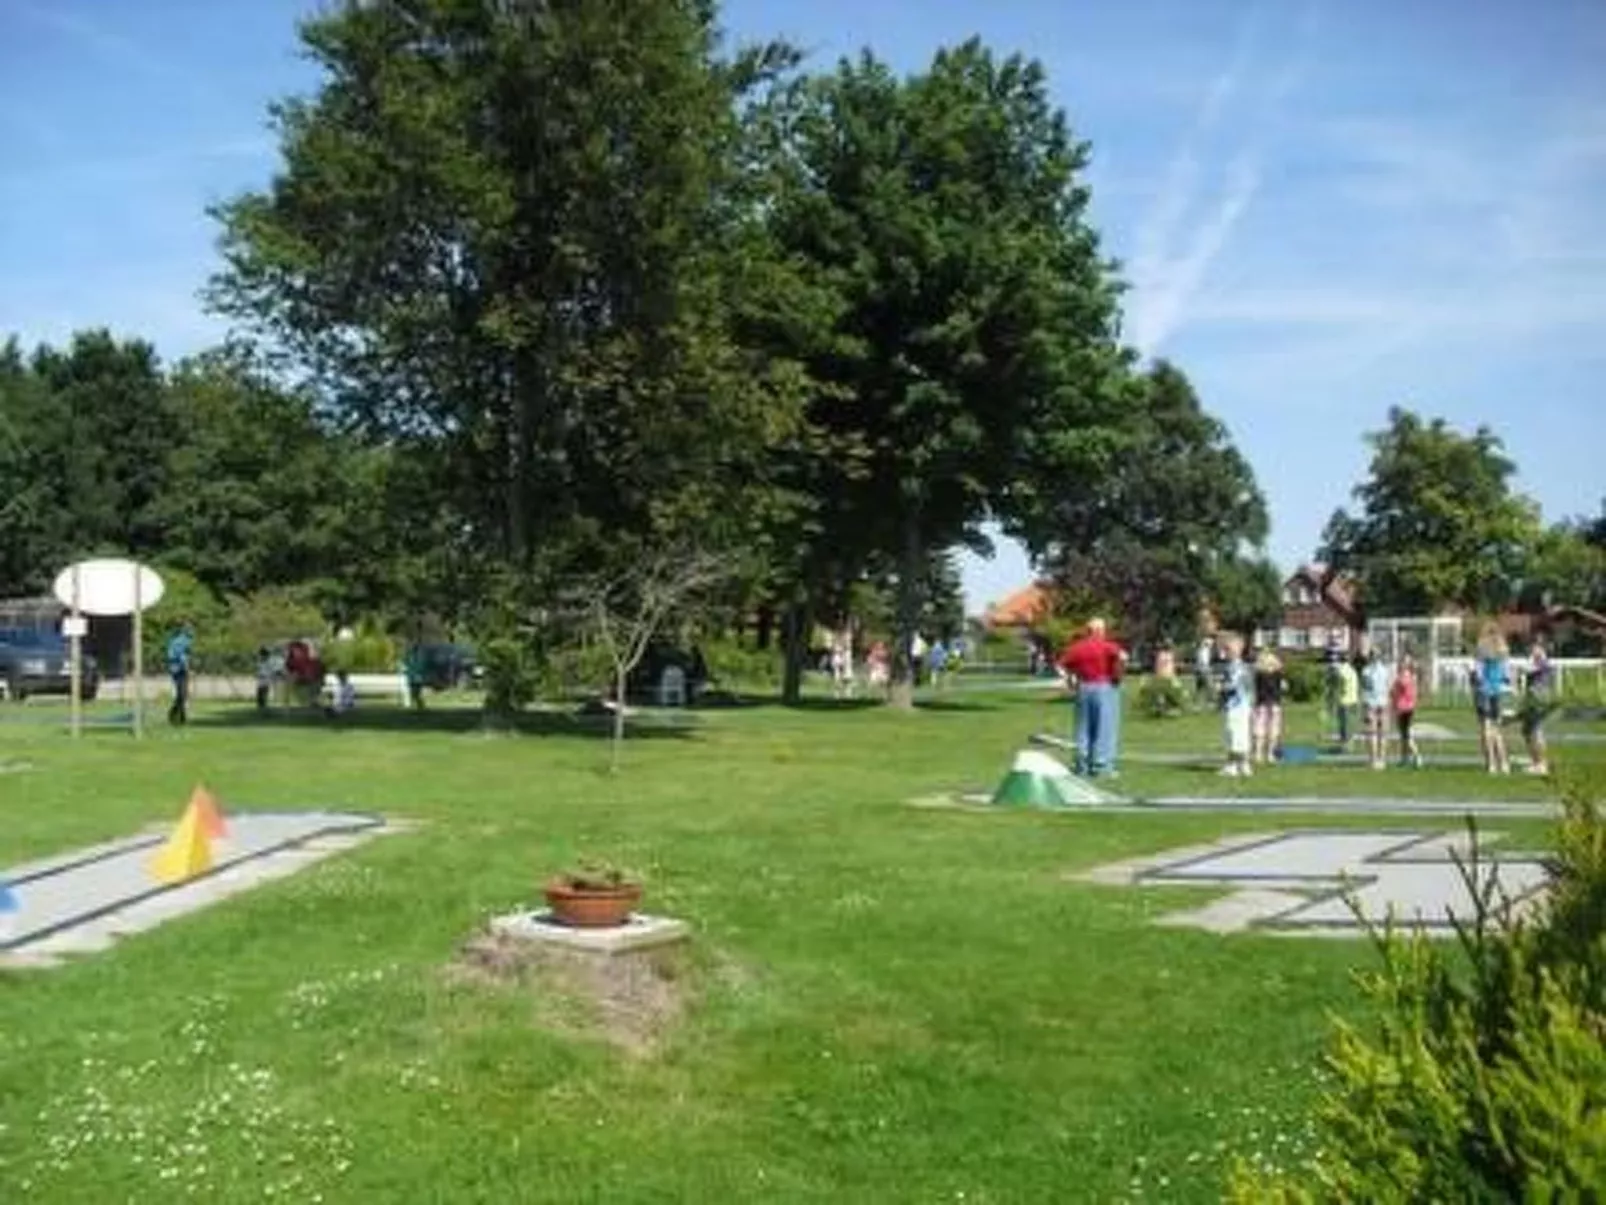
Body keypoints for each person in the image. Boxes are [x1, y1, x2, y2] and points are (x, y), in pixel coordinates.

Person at [1055, 617, 1127, 777]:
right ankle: (1102, 765)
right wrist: (1118, 676)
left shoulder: (1077, 648)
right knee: (1105, 727)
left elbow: (1060, 666)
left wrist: (1069, 680)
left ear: (1087, 631)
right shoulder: (1109, 646)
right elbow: (1122, 658)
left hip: (1083, 687)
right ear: (1101, 631)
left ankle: (1082, 763)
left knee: (1083, 727)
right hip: (1105, 687)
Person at [1472, 625, 1512, 775]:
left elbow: (1478, 672)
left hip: (1483, 691)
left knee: (1485, 728)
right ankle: (1504, 763)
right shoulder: (1502, 651)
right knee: (1497, 729)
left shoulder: (1482, 649)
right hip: (1497, 691)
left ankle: (1491, 764)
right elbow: (1506, 675)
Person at [1218, 633, 1253, 777]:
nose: (1225, 653)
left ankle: (1236, 764)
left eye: (1228, 649)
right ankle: (1239, 764)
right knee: (1235, 734)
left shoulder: (1238, 667)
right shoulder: (1234, 666)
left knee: (1236, 733)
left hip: (1237, 706)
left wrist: (1221, 687)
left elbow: (1233, 685)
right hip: (1236, 705)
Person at [1519, 638, 1555, 776]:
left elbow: (1528, 670)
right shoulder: (1536, 661)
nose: (1532, 649)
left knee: (1535, 730)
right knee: (1527, 730)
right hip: (1532, 698)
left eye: (1536, 647)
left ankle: (1541, 763)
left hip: (1537, 699)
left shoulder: (1543, 663)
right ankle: (1535, 760)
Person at [1250, 648, 1285, 766]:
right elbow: (1282, 688)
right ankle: (1270, 754)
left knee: (1259, 728)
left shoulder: (1258, 674)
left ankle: (1258, 754)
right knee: (1273, 729)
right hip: (1274, 703)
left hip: (1261, 703)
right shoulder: (1278, 675)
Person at [1360, 648, 1393, 770]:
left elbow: (1365, 689)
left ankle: (1373, 760)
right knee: (1383, 733)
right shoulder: (1385, 670)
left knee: (1371, 732)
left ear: (1370, 657)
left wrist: (1364, 705)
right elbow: (1388, 687)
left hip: (1371, 703)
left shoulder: (1366, 671)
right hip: (1383, 703)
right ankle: (1382, 760)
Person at [1391, 654, 1422, 767]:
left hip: (1407, 709)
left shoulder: (1408, 676)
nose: (1402, 663)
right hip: (1400, 708)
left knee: (1407, 735)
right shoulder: (1401, 675)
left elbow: (1406, 689)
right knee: (1403, 736)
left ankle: (1417, 756)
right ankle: (1404, 759)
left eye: (1404, 662)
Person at [165, 622, 194, 726]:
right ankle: (178, 716)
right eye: (190, 630)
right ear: (186, 631)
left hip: (176, 669)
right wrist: (187, 668)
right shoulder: (182, 641)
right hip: (179, 670)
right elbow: (181, 656)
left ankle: (178, 716)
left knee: (182, 694)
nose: (192, 632)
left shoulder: (181, 640)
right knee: (182, 694)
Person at [1331, 656, 1360, 751]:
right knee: (1350, 724)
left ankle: (1345, 745)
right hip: (1353, 700)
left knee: (1344, 725)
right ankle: (1350, 744)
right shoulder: (1353, 671)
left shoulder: (1341, 671)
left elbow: (1338, 685)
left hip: (1344, 700)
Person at [255, 645, 274, 712]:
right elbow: (258, 669)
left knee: (264, 691)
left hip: (265, 678)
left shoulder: (268, 661)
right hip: (261, 678)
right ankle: (261, 705)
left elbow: (270, 670)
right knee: (259, 692)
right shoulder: (260, 661)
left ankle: (263, 705)